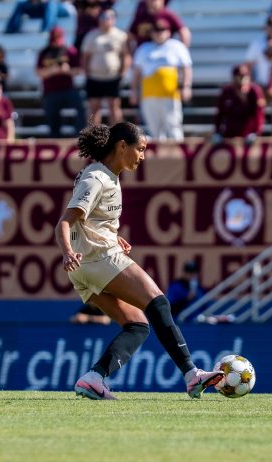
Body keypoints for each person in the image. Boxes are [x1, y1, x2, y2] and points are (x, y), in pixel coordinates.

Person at [56, 122, 224, 400]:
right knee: (158, 301)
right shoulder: (96, 177)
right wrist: (67, 252)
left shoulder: (107, 175)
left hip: (87, 266)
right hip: (97, 259)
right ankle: (192, 375)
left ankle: (94, 378)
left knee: (138, 324)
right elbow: (65, 222)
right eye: (140, 149)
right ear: (122, 146)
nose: (143, 156)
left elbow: (91, 221)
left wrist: (112, 235)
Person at [130, 17, 192, 141]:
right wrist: (133, 91)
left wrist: (186, 87)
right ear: (151, 32)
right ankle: (158, 159)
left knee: (173, 126)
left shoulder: (176, 46)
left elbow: (187, 68)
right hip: (149, 95)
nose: (159, 33)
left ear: (169, 32)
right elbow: (136, 72)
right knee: (154, 130)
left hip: (169, 95)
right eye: (156, 30)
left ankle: (177, 156)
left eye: (162, 30)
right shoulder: (144, 48)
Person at [82, 7, 129, 125]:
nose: (105, 20)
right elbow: (85, 57)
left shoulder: (121, 36)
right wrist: (87, 74)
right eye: (103, 17)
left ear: (114, 19)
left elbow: (126, 56)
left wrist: (122, 73)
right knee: (94, 108)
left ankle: (117, 135)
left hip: (113, 77)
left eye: (109, 17)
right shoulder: (91, 36)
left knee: (114, 107)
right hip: (94, 77)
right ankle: (94, 137)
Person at [37, 27, 86, 138]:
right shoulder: (44, 52)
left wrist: (67, 70)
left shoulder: (69, 51)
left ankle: (79, 135)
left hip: (67, 89)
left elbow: (78, 70)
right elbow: (38, 72)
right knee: (52, 117)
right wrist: (51, 71)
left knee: (80, 106)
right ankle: (56, 139)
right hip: (51, 91)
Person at [213, 64, 266, 143]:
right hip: (230, 135)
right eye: (239, 77)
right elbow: (220, 114)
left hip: (248, 136)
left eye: (245, 77)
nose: (242, 80)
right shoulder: (226, 92)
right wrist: (217, 132)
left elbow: (259, 114)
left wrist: (256, 132)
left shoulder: (255, 91)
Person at [4, 0, 70, 34]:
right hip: (40, 8)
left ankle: (46, 30)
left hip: (58, 8)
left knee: (51, 4)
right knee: (20, 4)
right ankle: (11, 29)